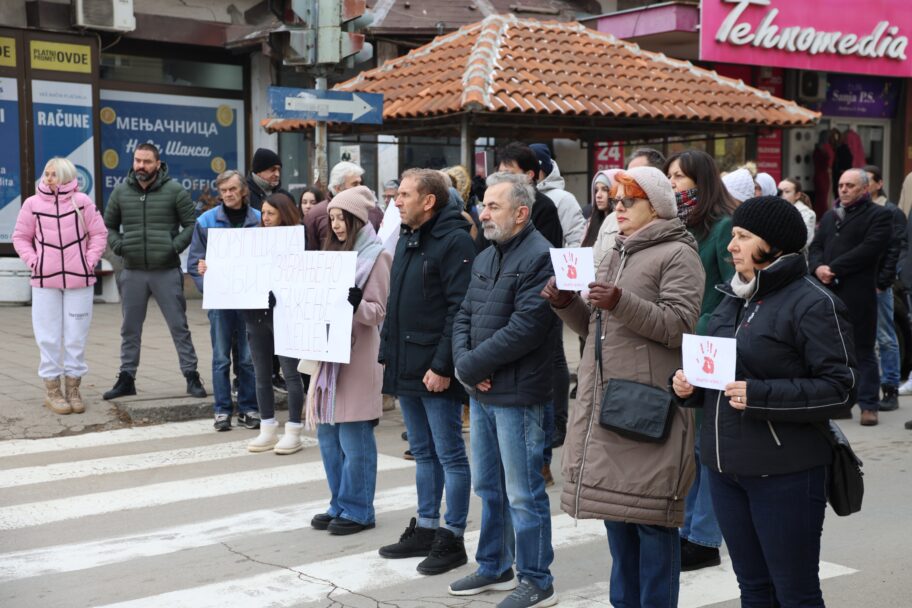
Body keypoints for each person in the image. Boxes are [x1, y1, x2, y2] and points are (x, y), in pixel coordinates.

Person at [672, 195, 857, 608]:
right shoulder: (734, 296)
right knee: (753, 589)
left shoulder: (814, 303)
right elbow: (718, 372)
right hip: (725, 469)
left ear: (773, 244)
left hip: (785, 473)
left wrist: (760, 396)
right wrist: (687, 386)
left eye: (742, 237)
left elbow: (840, 388)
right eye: (733, 236)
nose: (731, 246)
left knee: (795, 592)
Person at [543, 166, 702, 608]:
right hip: (608, 402)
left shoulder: (677, 253)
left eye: (628, 201)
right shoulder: (617, 250)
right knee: (618, 519)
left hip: (648, 404)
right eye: (615, 201)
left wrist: (620, 300)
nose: (618, 208)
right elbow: (596, 327)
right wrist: (566, 303)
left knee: (651, 521)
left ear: (657, 207)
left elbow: (679, 325)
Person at [448, 171, 557, 608]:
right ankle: (494, 565)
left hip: (518, 395)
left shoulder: (540, 255)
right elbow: (463, 315)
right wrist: (465, 366)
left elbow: (528, 327)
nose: (483, 212)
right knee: (489, 487)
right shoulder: (489, 253)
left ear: (521, 212)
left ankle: (537, 579)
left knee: (523, 493)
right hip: (483, 389)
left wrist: (473, 365)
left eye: (493, 206)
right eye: (484, 204)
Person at [377, 169, 475, 575]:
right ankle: (427, 527)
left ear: (428, 201)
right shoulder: (407, 236)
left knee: (449, 453)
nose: (396, 201)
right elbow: (397, 300)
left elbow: (459, 308)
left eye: (403, 194)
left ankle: (451, 538)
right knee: (422, 451)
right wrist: (388, 354)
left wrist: (442, 365)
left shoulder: (453, 240)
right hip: (406, 362)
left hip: (434, 368)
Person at [664, 148, 738, 571]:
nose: (673, 184)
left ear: (701, 181)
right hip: (682, 345)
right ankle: (690, 530)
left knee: (705, 446)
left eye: (679, 177)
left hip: (709, 347)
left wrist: (704, 324)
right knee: (690, 447)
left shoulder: (723, 226)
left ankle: (704, 537)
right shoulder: (678, 226)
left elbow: (733, 291)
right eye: (670, 177)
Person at [307, 186, 392, 536]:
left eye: (343, 219)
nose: (336, 225)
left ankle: (359, 509)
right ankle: (338, 501)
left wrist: (355, 302)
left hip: (357, 356)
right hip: (327, 356)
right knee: (328, 436)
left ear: (358, 219)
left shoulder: (377, 255)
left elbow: (378, 312)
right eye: (333, 219)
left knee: (354, 437)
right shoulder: (330, 254)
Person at [102, 143, 206, 401]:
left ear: (158, 164)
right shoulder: (121, 191)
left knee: (178, 326)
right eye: (137, 160)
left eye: (147, 162)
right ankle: (127, 378)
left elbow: (191, 224)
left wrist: (174, 247)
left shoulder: (174, 191)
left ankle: (191, 375)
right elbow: (109, 225)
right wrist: (118, 245)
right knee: (130, 328)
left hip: (166, 270)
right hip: (133, 270)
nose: (141, 166)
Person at [13, 157, 108, 414]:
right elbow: (20, 237)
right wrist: (35, 262)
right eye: (46, 173)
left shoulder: (83, 202)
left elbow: (99, 234)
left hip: (80, 280)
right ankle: (52, 390)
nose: (48, 178)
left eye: (54, 174)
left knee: (77, 336)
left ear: (66, 176)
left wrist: (88, 262)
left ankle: (74, 388)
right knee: (48, 336)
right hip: (44, 281)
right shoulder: (32, 204)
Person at [494, 143, 565, 475]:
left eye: (512, 171)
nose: (505, 177)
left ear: (532, 175)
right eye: (502, 170)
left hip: (535, 303)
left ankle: (543, 458)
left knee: (541, 381)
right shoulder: (494, 208)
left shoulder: (544, 207)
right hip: (499, 305)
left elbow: (545, 260)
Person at [809, 168, 893, 426]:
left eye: (850, 185)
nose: (843, 189)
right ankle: (843, 402)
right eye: (841, 185)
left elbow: (869, 249)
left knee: (863, 350)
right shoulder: (831, 215)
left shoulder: (879, 215)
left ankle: (869, 405)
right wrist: (818, 267)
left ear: (865, 189)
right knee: (834, 351)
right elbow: (816, 247)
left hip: (858, 293)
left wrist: (834, 267)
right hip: (828, 293)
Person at [188, 170, 261, 432]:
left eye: (232, 189)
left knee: (248, 358)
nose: (228, 194)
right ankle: (221, 411)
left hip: (250, 300)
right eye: (223, 190)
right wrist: (207, 281)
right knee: (220, 357)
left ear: (243, 191)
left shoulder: (259, 220)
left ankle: (248, 408)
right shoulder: (206, 221)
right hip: (220, 301)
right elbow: (195, 264)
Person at [245, 193, 308, 453]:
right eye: (263, 212)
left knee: (290, 373)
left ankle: (294, 430)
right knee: (261, 373)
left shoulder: (297, 238)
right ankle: (267, 427)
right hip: (255, 313)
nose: (265, 218)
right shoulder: (253, 238)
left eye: (271, 213)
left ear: (284, 213)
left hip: (285, 314)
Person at [864, 165, 906, 412]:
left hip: (880, 285)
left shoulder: (891, 212)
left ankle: (890, 387)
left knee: (886, 337)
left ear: (879, 183)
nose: (863, 185)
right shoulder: (858, 211)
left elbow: (895, 250)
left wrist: (883, 281)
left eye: (868, 180)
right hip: (860, 284)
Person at [304, 161, 382, 250]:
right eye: (355, 184)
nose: (360, 187)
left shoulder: (373, 210)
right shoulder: (315, 215)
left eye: (361, 183)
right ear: (338, 188)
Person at [530, 144, 586, 247]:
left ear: (544, 169)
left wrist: (561, 262)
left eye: (534, 169)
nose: (530, 173)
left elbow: (577, 241)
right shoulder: (516, 198)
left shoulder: (564, 199)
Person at [777, 177, 816, 247]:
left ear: (797, 195)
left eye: (787, 191)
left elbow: (804, 242)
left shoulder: (807, 214)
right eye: (779, 191)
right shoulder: (775, 210)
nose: (781, 195)